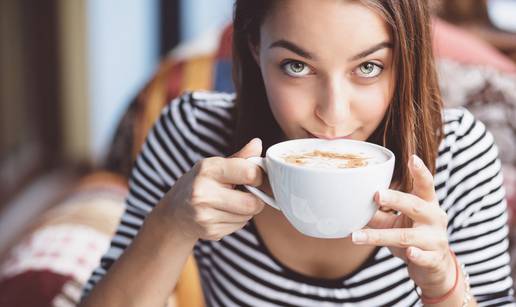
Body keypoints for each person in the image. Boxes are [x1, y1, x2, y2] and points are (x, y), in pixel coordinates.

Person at [80, 1, 515, 306]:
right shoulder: (191, 135)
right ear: (254, 47)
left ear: (406, 59)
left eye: (368, 67)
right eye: (297, 66)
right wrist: (171, 225)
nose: (333, 115)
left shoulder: (459, 154)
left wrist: (442, 281)